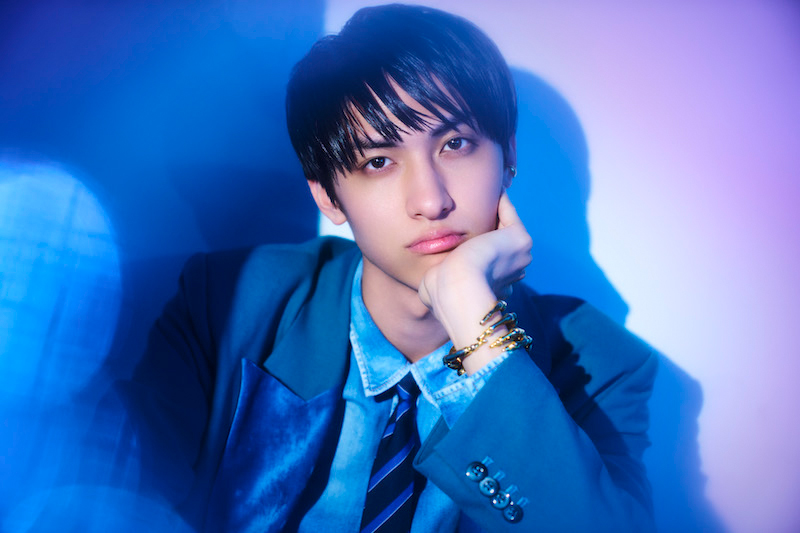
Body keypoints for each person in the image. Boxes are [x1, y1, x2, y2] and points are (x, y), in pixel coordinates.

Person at [119, 4, 657, 531]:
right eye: (378, 161)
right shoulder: (225, 304)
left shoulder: (600, 365)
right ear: (327, 197)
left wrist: (475, 321)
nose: (431, 201)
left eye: (456, 144)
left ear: (508, 156)